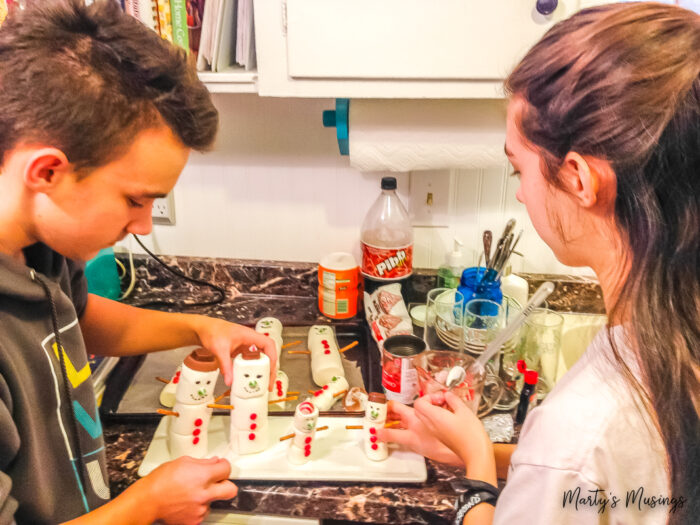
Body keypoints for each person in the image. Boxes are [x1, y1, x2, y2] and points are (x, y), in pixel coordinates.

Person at [380, 3, 699, 524]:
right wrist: (487, 451)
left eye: (518, 169)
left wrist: (480, 474)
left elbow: (571, 469)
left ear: (578, 178)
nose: (523, 196)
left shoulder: (582, 427)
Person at [0, 1, 278, 523]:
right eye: (135, 200)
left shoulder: (39, 246)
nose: (145, 225)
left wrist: (199, 328)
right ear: (47, 172)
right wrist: (145, 503)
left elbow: (74, 321)